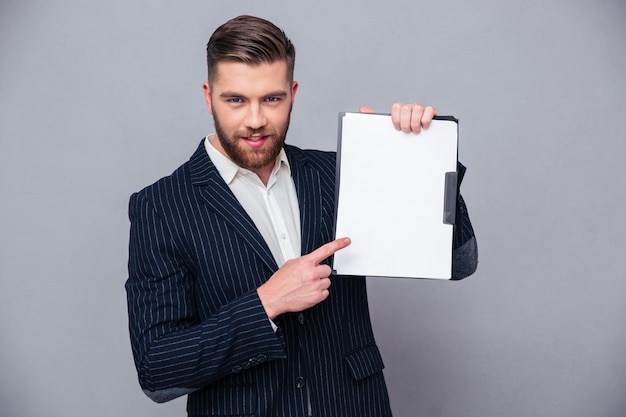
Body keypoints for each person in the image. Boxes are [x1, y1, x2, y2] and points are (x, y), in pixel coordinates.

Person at [125, 14, 477, 417]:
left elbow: (460, 262)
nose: (255, 120)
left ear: (293, 93)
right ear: (208, 97)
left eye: (271, 99)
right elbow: (158, 372)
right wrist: (265, 303)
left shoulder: (340, 174)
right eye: (236, 99)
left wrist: (419, 158)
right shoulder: (161, 206)